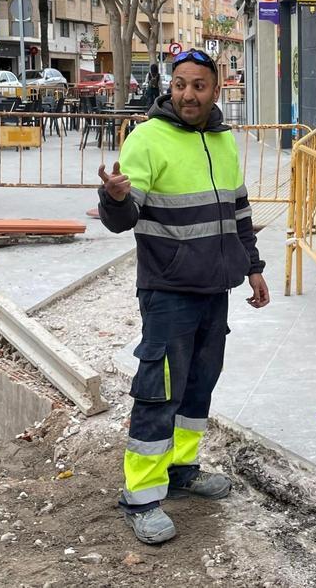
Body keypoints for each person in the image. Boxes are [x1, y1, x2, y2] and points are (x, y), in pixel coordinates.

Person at [96, 47, 270, 545]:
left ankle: (181, 471)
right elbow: (124, 220)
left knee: (198, 385)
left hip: (216, 288)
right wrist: (114, 198)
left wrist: (252, 267)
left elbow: (239, 211)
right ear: (169, 88)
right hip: (168, 291)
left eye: (198, 85)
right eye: (179, 84)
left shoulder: (223, 140)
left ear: (216, 91)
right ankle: (143, 496)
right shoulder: (147, 139)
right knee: (159, 389)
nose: (187, 94)